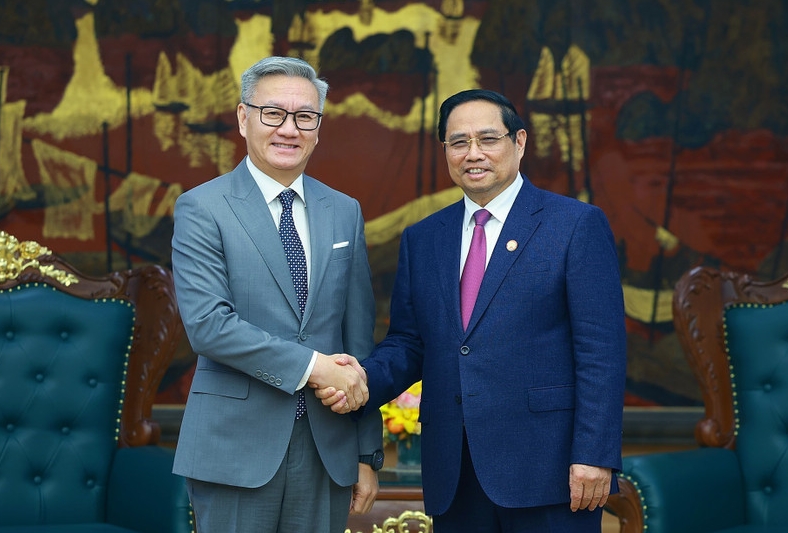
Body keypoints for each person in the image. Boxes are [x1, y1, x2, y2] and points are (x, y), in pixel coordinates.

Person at [319, 89, 627, 532]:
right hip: (454, 471)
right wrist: (360, 380)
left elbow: (601, 351)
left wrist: (594, 455)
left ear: (519, 142)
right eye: (458, 142)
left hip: (551, 470)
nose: (473, 153)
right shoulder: (424, 237)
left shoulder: (575, 224)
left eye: (488, 139)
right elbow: (409, 343)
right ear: (445, 150)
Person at [171, 56, 384, 533]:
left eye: (305, 117)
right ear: (244, 118)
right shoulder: (202, 208)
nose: (289, 129)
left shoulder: (344, 211)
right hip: (235, 450)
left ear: (318, 128)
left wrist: (367, 452)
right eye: (273, 113)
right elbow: (209, 326)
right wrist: (315, 367)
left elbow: (358, 339)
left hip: (327, 450)